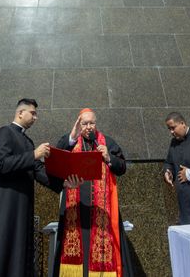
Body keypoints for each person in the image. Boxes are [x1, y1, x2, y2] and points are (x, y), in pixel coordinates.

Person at [0, 98, 61, 277]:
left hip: (22, 208)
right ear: (20, 113)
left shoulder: (28, 141)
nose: (35, 117)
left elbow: (39, 172)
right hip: (4, 205)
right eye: (33, 113)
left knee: (18, 255)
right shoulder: (5, 132)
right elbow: (0, 165)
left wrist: (64, 184)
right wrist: (33, 154)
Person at [53, 108, 132, 277]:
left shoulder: (107, 142)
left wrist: (109, 158)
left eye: (91, 123)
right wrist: (72, 137)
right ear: (78, 124)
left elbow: (122, 167)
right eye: (84, 123)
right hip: (76, 206)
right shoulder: (71, 141)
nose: (88, 127)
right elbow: (57, 156)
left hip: (100, 208)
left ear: (96, 123)